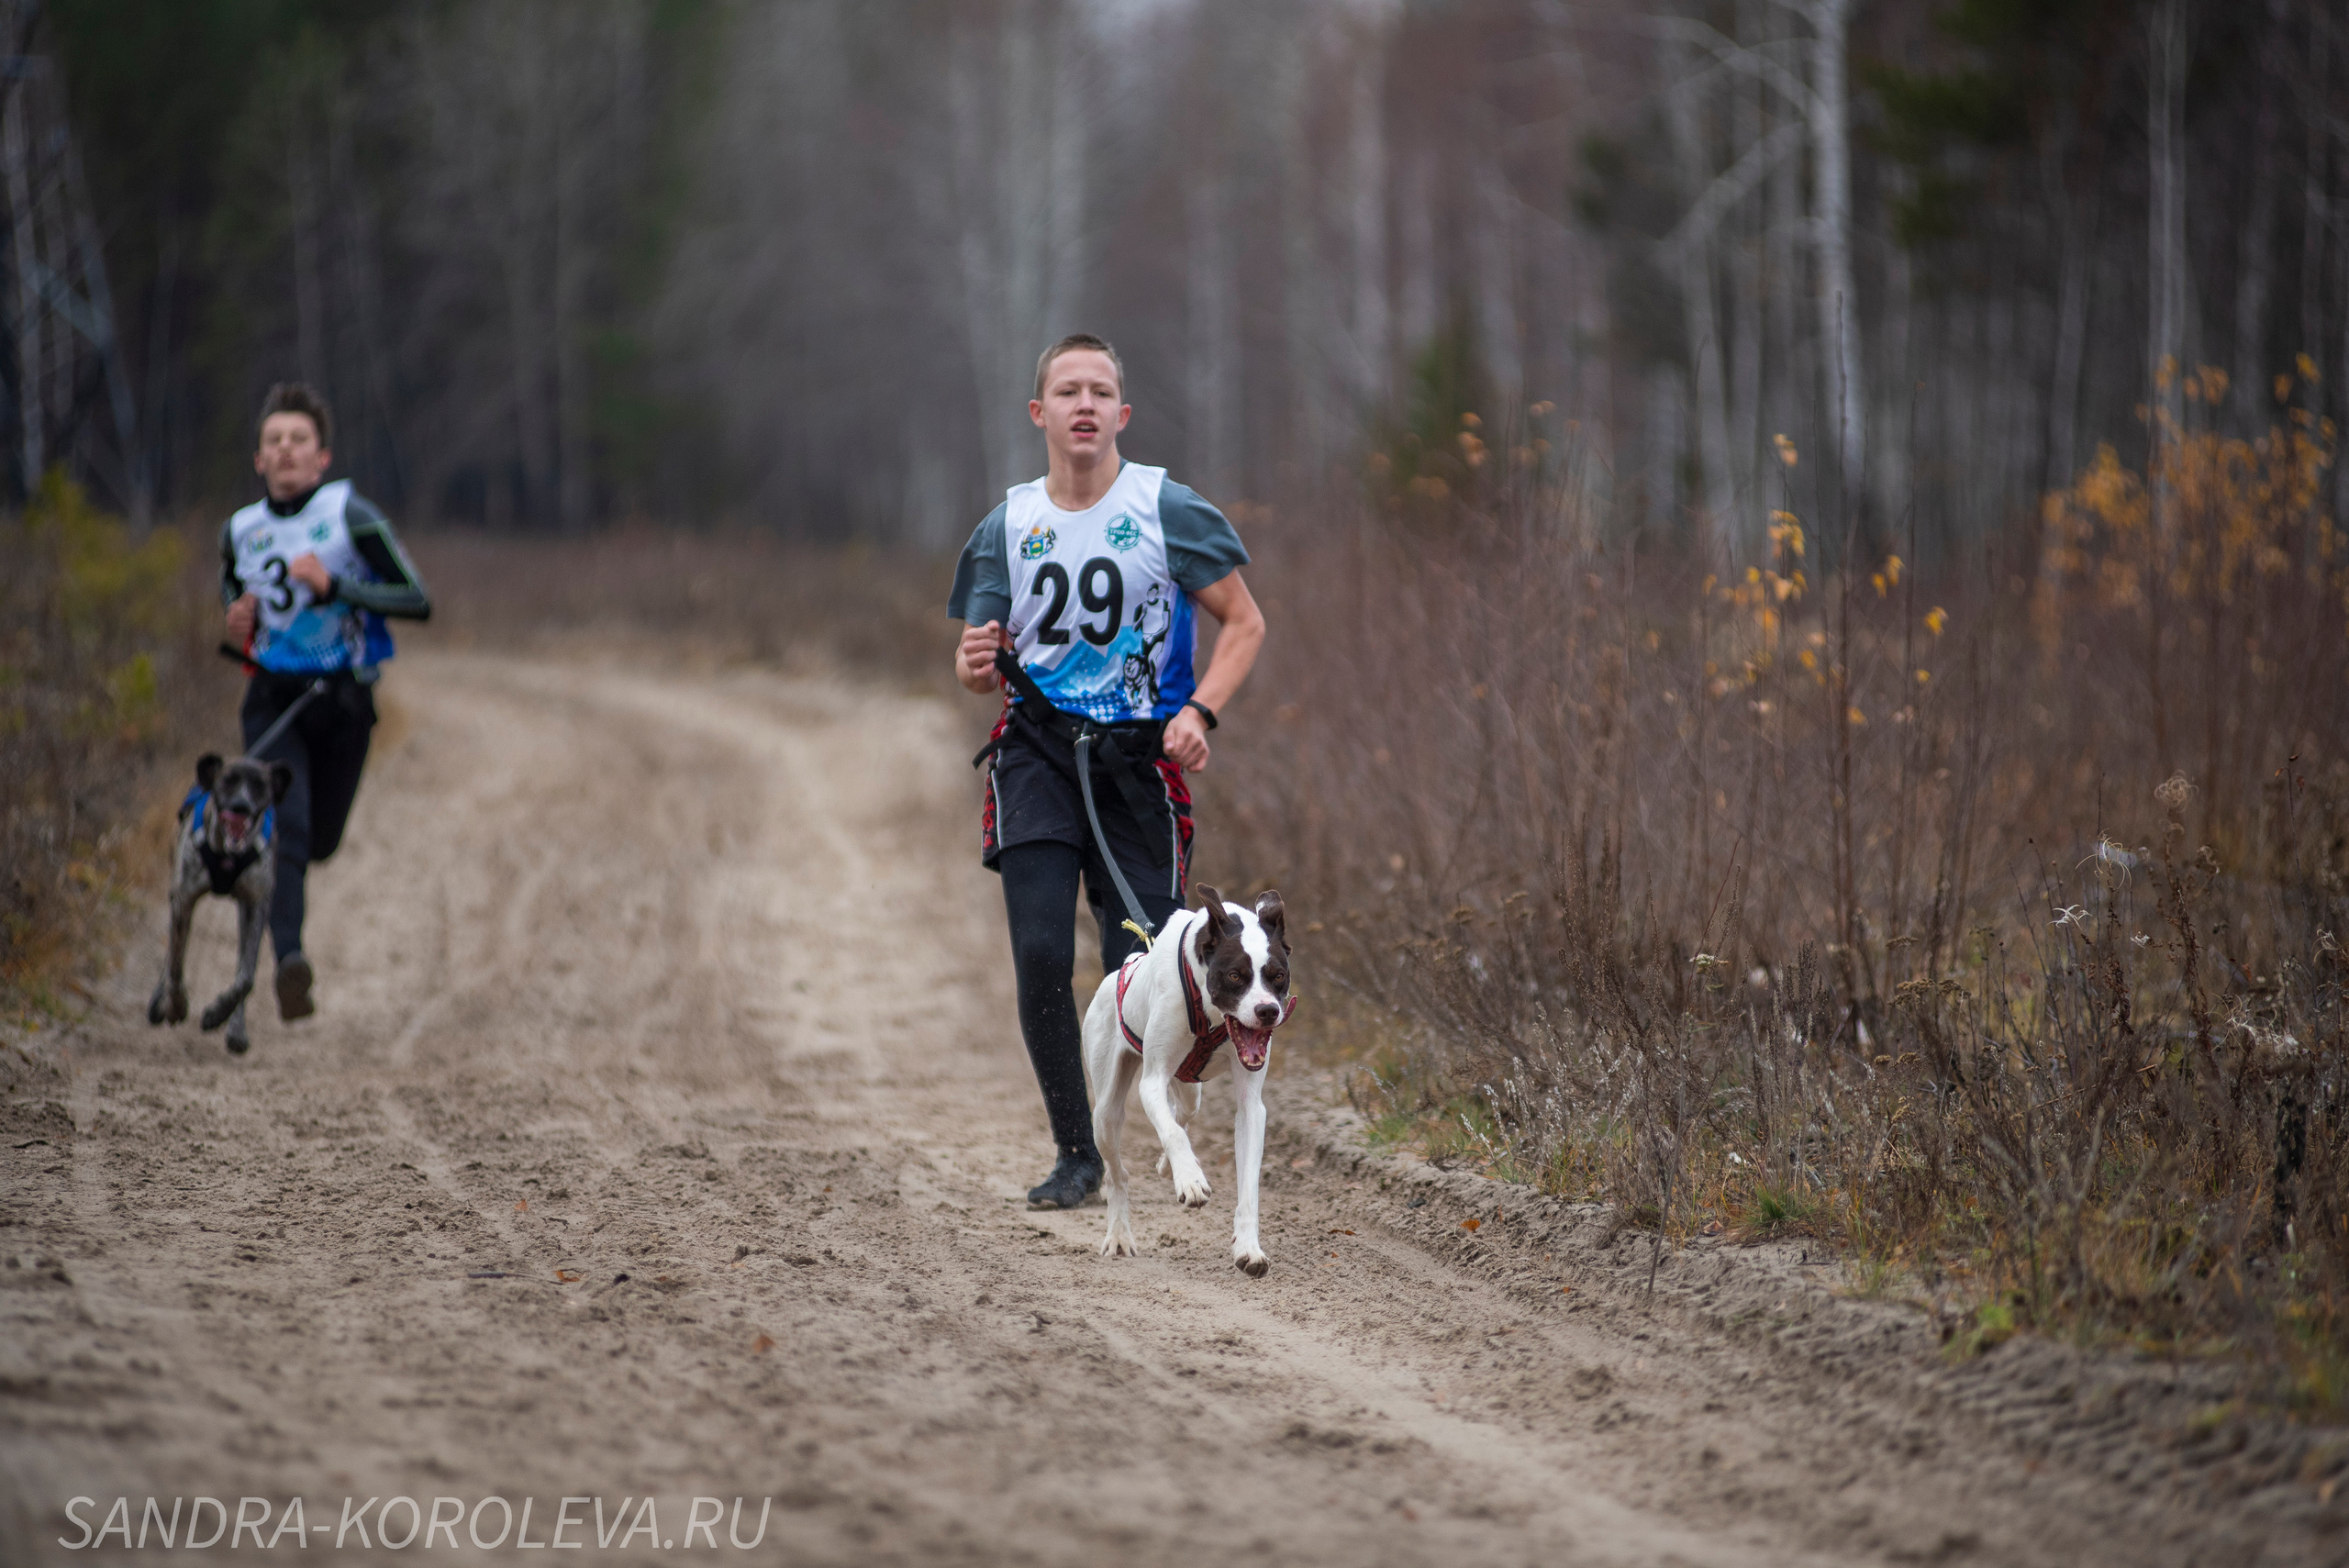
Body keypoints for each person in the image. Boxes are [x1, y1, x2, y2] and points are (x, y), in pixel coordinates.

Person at [947, 333, 1266, 1209]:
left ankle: (1163, 1111)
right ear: (1039, 413)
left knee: (1156, 964)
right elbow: (978, 660)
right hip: (1037, 753)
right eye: (1067, 391)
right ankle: (1077, 1150)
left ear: (1121, 414)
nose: (1083, 405)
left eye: (1099, 392)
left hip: (1138, 762)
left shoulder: (1168, 508)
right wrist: (977, 658)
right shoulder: (1005, 525)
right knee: (1043, 951)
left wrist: (1199, 712)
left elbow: (1244, 623)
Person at [219, 383, 431, 1020]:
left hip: (343, 703)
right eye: (274, 441)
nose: (285, 451)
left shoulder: (350, 517)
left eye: (298, 440)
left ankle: (277, 894)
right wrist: (236, 627)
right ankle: (289, 960)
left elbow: (417, 599)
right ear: (258, 459)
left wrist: (336, 584)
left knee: (319, 841)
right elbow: (239, 612)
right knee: (291, 821)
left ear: (322, 457)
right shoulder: (240, 532)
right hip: (272, 701)